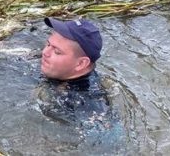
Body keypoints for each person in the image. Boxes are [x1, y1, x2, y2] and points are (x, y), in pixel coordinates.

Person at [37, 17, 123, 150]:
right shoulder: (57, 70)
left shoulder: (87, 103)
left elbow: (108, 144)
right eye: (48, 45)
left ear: (81, 63)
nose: (45, 52)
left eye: (57, 51)